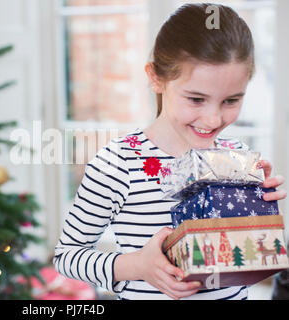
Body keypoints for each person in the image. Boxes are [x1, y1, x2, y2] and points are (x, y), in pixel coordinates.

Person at [53, 3, 287, 300]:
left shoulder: (238, 155)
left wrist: (259, 210)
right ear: (156, 78)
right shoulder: (117, 164)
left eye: (230, 100)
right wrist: (137, 266)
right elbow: (67, 256)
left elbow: (243, 254)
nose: (214, 119)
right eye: (196, 99)